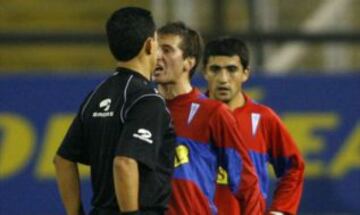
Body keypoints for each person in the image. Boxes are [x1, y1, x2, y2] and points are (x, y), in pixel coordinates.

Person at [53, 7, 176, 215]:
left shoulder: (97, 95)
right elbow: (125, 162)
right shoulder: (147, 100)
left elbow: (62, 161)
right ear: (148, 45)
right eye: (157, 42)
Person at [153, 22, 264, 215]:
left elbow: (246, 183)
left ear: (189, 62)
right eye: (155, 49)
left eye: (167, 50)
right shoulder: (140, 109)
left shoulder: (213, 113)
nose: (157, 57)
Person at [203, 37, 305, 215]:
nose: (223, 79)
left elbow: (293, 167)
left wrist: (280, 211)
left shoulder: (263, 119)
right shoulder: (191, 115)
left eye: (232, 69)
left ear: (245, 73)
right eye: (215, 70)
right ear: (204, 72)